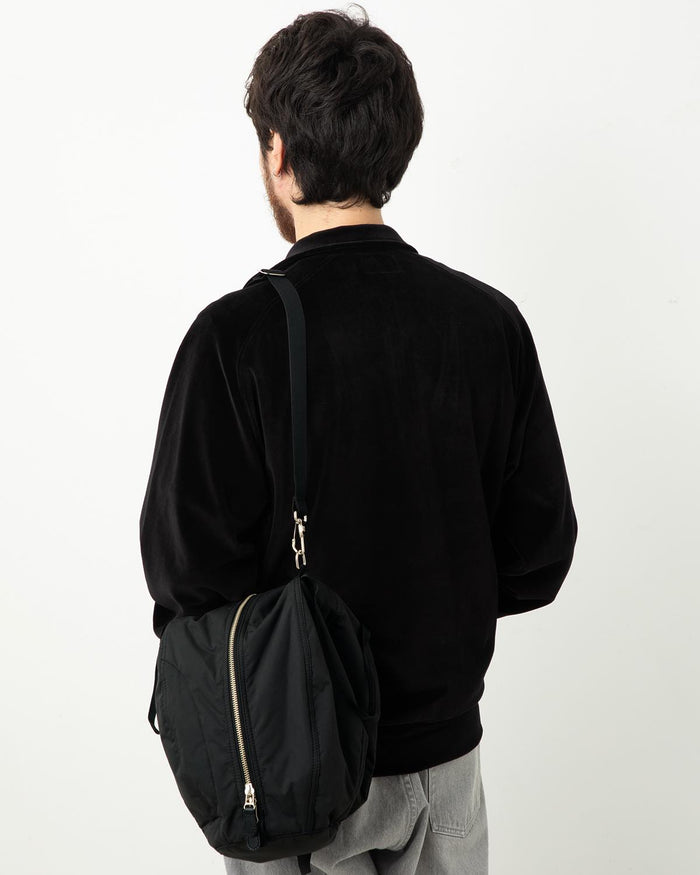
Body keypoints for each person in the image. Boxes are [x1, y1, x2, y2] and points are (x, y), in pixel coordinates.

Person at [139, 6, 578, 874]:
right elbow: (537, 556)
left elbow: (186, 581)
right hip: (444, 764)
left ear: (277, 152)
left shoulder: (233, 338)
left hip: (287, 774)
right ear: (394, 150)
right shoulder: (488, 324)